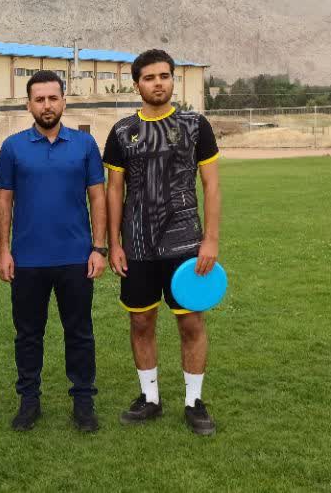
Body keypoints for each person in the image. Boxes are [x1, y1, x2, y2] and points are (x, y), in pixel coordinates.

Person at [102, 49, 222, 436]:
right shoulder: (122, 132)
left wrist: (210, 240)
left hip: (186, 244)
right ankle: (149, 398)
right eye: (150, 77)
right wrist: (114, 244)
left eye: (164, 76)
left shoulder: (195, 125)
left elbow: (211, 185)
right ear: (137, 84)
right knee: (141, 321)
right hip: (137, 246)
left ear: (173, 79)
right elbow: (114, 190)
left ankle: (194, 402)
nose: (158, 83)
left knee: (191, 322)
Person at [0, 70, 108, 433]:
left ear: (64, 101)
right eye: (39, 99)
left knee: (80, 333)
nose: (47, 105)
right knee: (28, 336)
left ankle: (83, 402)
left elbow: (98, 197)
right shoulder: (13, 147)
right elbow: (4, 200)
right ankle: (29, 401)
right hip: (27, 260)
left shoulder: (85, 145)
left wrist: (99, 248)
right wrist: (3, 250)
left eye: (53, 98)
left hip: (76, 258)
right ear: (29, 105)